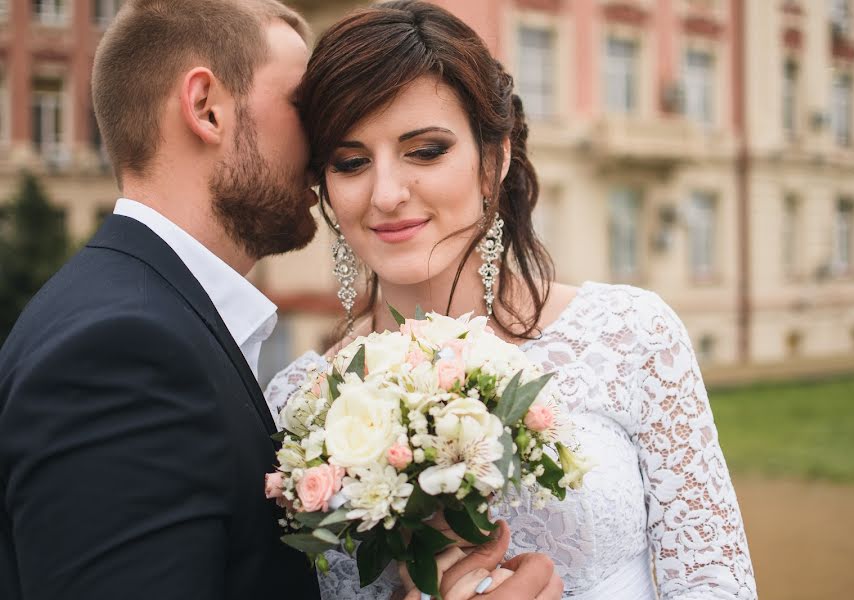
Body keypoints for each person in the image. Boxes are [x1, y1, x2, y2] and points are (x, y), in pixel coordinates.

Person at [0, 1, 559, 599]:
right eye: (302, 108)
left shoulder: (157, 321)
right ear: (206, 109)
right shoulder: (120, 351)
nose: (319, 156)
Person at [267, 2, 759, 599]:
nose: (387, 193)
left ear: (494, 159)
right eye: (351, 162)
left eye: (425, 150)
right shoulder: (299, 407)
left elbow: (716, 584)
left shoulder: (631, 337)